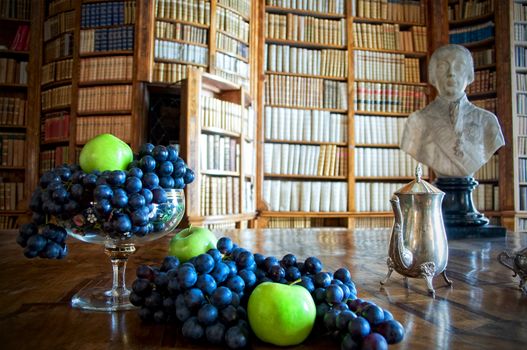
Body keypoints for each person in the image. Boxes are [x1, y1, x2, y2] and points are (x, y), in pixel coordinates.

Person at [400, 44, 505, 177]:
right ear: (432, 76)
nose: (451, 73)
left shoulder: (488, 122)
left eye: (459, 66)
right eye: (443, 66)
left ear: (470, 75)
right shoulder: (417, 121)